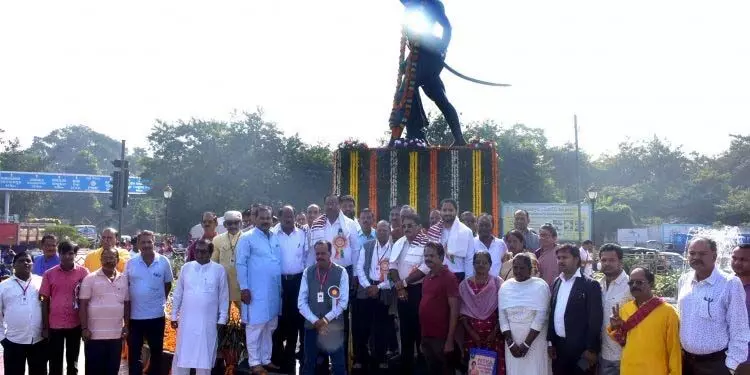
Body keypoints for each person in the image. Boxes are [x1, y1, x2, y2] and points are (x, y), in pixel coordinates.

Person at [390, 0, 466, 146]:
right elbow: (415, 45)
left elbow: (447, 27)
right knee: (438, 96)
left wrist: (442, 48)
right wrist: (406, 63)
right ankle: (458, 138)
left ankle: (416, 134)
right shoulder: (411, 8)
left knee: (405, 93)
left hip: (430, 56)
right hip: (419, 56)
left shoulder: (431, 4)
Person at [678, 237, 750, 374]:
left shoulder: (729, 283)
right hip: (686, 362)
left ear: (714, 256)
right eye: (692, 253)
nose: (696, 257)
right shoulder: (684, 280)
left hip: (715, 365)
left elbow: (739, 328)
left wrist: (731, 366)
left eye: (702, 254)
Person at [309, 195, 361, 364]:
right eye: (328, 203)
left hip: (342, 274)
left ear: (339, 205)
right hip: (321, 274)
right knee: (322, 313)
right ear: (324, 205)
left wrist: (355, 275)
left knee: (340, 316)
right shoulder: (317, 224)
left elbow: (355, 250)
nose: (331, 206)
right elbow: (312, 253)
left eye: (334, 203)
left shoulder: (350, 224)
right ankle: (322, 360)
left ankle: (341, 361)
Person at [170, 238, 229, 375]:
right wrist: (174, 315)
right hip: (187, 322)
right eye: (197, 251)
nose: (200, 255)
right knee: (183, 355)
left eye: (203, 252)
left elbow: (223, 297)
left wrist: (222, 319)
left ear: (210, 252)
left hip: (207, 323)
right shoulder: (187, 268)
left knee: (205, 357)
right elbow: (178, 293)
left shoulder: (218, 270)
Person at [607, 268, 681, 375]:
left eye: (639, 282)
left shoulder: (668, 312)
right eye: (631, 282)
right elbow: (622, 341)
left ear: (651, 283)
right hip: (629, 369)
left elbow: (674, 350)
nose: (634, 285)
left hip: (655, 370)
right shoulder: (625, 309)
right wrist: (615, 328)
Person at [237, 205, 283, 374]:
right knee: (255, 325)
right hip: (254, 291)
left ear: (272, 220)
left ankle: (265, 359)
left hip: (273, 290)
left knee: (270, 325)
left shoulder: (274, 237)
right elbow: (240, 263)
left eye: (268, 218)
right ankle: (255, 362)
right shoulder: (247, 238)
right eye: (262, 218)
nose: (265, 221)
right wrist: (244, 288)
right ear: (254, 219)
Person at [547, 244, 603, 375]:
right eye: (559, 257)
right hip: (559, 348)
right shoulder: (557, 282)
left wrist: (591, 349)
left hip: (581, 351)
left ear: (577, 259)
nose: (561, 261)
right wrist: (551, 342)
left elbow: (595, 320)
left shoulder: (590, 285)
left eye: (565, 257)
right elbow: (552, 312)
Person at [298, 240, 350, 375]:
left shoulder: (341, 272)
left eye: (323, 253)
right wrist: (316, 321)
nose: (320, 256)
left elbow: (343, 302)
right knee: (309, 364)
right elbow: (301, 303)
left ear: (330, 253)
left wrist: (325, 320)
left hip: (333, 327)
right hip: (312, 326)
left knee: (338, 366)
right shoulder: (307, 272)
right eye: (317, 254)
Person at [125, 230, 173, 375]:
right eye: (143, 242)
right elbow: (126, 286)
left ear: (154, 242)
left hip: (156, 316)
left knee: (156, 353)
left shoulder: (163, 261)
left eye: (149, 242)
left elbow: (167, 285)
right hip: (135, 317)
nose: (146, 245)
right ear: (138, 244)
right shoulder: (131, 263)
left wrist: (157, 301)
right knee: (134, 354)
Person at [388, 211, 430, 374]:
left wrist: (403, 284)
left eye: (410, 225)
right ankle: (406, 368)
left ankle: (421, 368)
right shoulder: (399, 243)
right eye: (404, 226)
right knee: (405, 334)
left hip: (419, 291)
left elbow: (424, 269)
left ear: (419, 227)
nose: (406, 229)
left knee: (420, 333)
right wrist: (399, 287)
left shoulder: (426, 243)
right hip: (401, 292)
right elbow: (392, 266)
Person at [40, 240, 89, 375]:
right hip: (55, 325)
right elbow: (44, 300)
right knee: (55, 362)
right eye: (63, 253)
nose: (67, 256)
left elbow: (87, 300)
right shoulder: (49, 274)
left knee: (73, 361)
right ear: (59, 254)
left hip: (76, 323)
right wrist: (45, 326)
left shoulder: (84, 273)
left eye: (70, 253)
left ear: (74, 254)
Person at [78, 248, 130, 375]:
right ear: (100, 260)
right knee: (94, 370)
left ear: (117, 260)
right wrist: (84, 328)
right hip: (94, 336)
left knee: (112, 370)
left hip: (116, 336)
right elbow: (83, 304)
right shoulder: (90, 279)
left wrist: (127, 325)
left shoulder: (123, 279)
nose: (108, 260)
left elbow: (127, 304)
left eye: (112, 257)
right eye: (105, 257)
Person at [499, 254, 552, 375]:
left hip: (535, 342)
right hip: (513, 342)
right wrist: (511, 344)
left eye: (522, 268)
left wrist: (526, 344)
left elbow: (541, 317)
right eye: (515, 267)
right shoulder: (505, 287)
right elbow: (502, 317)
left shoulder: (541, 286)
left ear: (530, 269)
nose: (518, 271)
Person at [271, 205, 309, 373]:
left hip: (297, 281)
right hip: (278, 282)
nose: (288, 219)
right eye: (285, 216)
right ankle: (277, 355)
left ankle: (290, 355)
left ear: (295, 217)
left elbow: (307, 257)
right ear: (279, 217)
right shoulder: (272, 234)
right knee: (278, 318)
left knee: (295, 318)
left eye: (291, 216)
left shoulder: (302, 234)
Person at [355, 220, 394, 371]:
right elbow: (360, 267)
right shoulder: (368, 245)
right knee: (362, 327)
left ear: (389, 232)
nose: (382, 232)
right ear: (375, 231)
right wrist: (368, 286)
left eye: (385, 230)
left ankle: (381, 358)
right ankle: (360, 358)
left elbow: (393, 274)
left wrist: (378, 287)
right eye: (379, 230)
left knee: (381, 327)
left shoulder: (394, 248)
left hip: (384, 290)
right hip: (367, 288)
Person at [0, 251, 47, 375]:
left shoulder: (41, 282)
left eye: (28, 261)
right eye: (21, 261)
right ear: (13, 265)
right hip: (13, 342)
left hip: (38, 340)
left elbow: (47, 306)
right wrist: (2, 338)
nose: (25, 263)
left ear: (32, 264)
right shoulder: (3, 287)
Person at [459, 251, 504, 375]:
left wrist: (494, 333)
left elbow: (503, 311)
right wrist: (472, 333)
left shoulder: (497, 283)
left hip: (494, 337)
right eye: (477, 262)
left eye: (485, 262)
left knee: (495, 369)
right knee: (475, 370)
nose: (481, 265)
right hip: (472, 337)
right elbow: (462, 314)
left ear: (490, 265)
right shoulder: (464, 285)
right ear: (473, 264)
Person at [419, 241, 460, 375]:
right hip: (427, 337)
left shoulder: (449, 278)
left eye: (432, 255)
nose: (428, 259)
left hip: (442, 339)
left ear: (441, 257)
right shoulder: (426, 279)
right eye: (426, 256)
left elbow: (454, 311)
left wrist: (450, 340)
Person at [598, 243, 631, 375]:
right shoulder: (598, 285)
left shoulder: (631, 286)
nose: (607, 263)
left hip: (623, 354)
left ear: (620, 262)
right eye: (604, 260)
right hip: (602, 352)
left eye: (612, 260)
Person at [427, 198, 475, 281]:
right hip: (437, 273)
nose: (447, 213)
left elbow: (469, 258)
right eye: (444, 210)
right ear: (440, 212)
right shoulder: (433, 231)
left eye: (450, 210)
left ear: (456, 211)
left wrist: (468, 280)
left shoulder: (466, 231)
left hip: (458, 274)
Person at [212, 211, 244, 311]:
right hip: (224, 285)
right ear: (225, 224)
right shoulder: (217, 239)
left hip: (242, 286)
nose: (233, 226)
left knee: (247, 318)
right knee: (223, 318)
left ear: (241, 223)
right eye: (230, 223)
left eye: (236, 222)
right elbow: (213, 264)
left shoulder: (248, 238)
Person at [731, 243, 750, 366]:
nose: (737, 262)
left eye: (743, 260)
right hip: (726, 356)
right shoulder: (725, 284)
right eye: (734, 258)